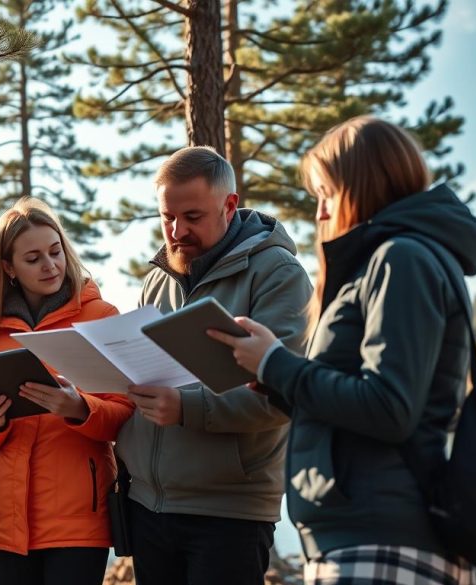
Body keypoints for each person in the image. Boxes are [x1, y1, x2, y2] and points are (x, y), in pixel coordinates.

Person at [209, 116, 476, 584]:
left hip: (383, 538)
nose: (319, 213)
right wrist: (275, 379)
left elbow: (389, 406)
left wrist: (278, 363)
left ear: (361, 187)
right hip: (359, 536)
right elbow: (361, 401)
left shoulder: (402, 259)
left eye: (326, 194)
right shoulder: (390, 260)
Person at [116, 146, 313, 585]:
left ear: (229, 206)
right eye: (167, 217)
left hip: (228, 512)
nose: (176, 230)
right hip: (148, 506)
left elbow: (283, 395)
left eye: (192, 216)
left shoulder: (279, 275)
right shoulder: (157, 278)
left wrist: (186, 409)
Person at [0, 197, 135, 585]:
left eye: (56, 251)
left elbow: (125, 415)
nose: (50, 265)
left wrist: (78, 408)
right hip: (8, 522)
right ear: (8, 267)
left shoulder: (102, 318)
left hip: (79, 517)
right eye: (34, 258)